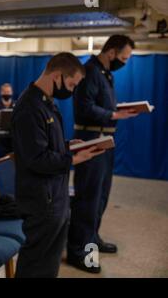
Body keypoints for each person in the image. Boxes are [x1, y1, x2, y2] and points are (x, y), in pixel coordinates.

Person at [12, 53, 105, 278]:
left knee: (49, 262)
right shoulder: (30, 107)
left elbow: (44, 144)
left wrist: (67, 146)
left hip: (55, 194)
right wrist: (73, 159)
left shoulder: (46, 102)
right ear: (57, 76)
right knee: (36, 263)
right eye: (71, 84)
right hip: (42, 199)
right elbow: (36, 159)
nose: (72, 91)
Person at [67, 35, 137, 273]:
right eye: (124, 57)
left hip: (104, 139)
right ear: (111, 52)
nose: (124, 62)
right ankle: (79, 251)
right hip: (91, 139)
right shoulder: (89, 71)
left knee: (101, 195)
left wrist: (116, 111)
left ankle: (92, 237)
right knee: (87, 196)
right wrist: (113, 115)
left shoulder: (106, 74)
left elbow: (101, 106)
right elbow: (84, 108)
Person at [0, 83, 15, 155]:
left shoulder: (17, 105)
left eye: (8, 92)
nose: (7, 94)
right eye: (5, 92)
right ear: (1, 93)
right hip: (1, 142)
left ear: (12, 92)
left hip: (14, 141)